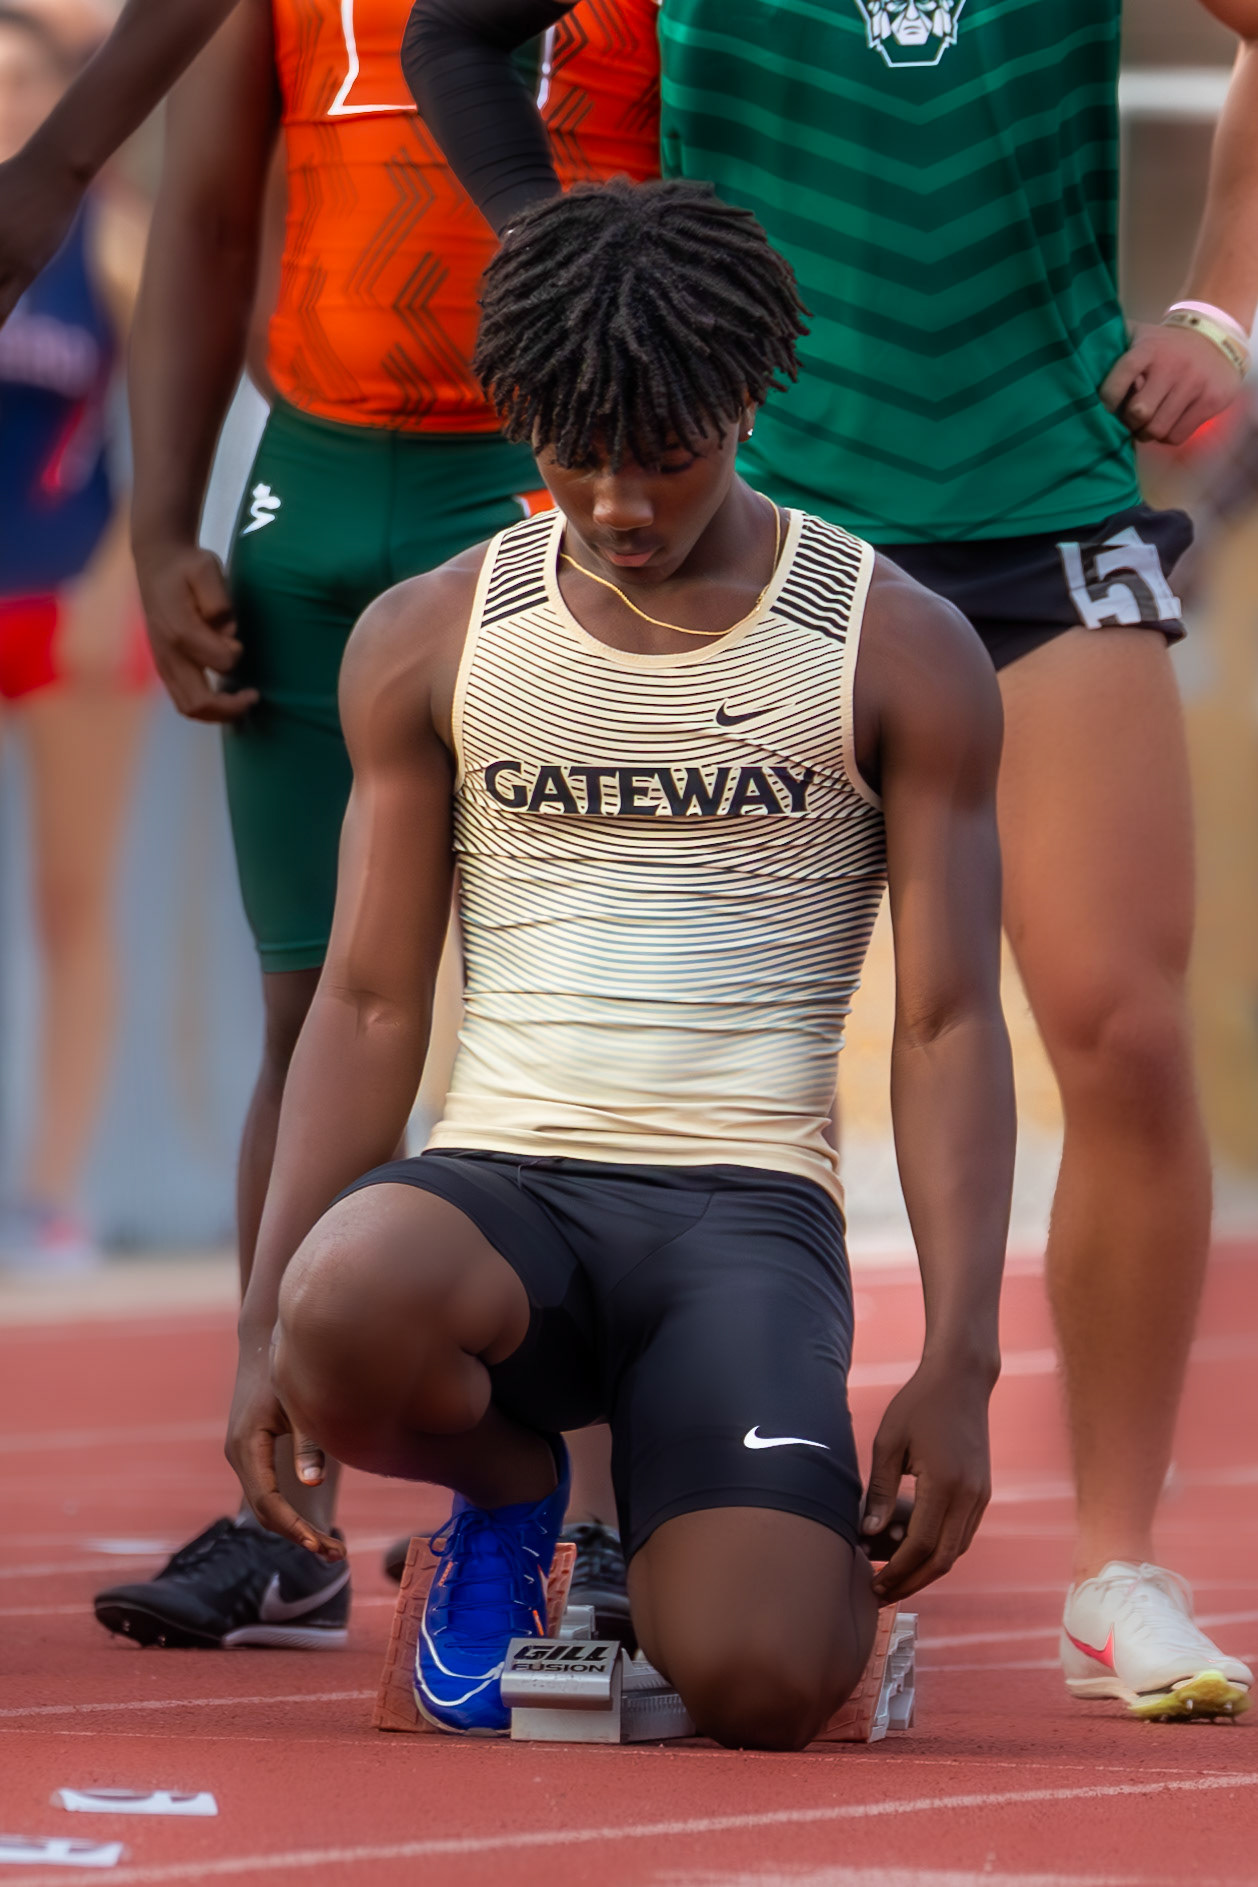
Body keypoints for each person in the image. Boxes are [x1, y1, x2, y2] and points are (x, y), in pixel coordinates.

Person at [402, 0, 1258, 1720]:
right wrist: (584, 277)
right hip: (750, 516)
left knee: (1119, 1027)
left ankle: (1114, 1566)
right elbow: (452, 35)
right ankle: (589, 1525)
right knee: (625, 1032)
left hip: (1039, 499)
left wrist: (1220, 312)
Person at [221, 178, 1016, 1748]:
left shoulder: (896, 644)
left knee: (758, 1682)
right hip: (502, 1190)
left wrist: (962, 1356)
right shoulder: (432, 633)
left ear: (744, 403)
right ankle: (518, 1501)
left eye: (663, 455)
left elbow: (943, 1020)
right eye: (573, 455)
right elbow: (368, 1000)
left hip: (740, 1212)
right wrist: (262, 1324)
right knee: (338, 1302)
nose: (616, 504)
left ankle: (699, 1504)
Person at [90, 0, 659, 1655]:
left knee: (583, 1006)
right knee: (312, 1000)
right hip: (313, 481)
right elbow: (206, 213)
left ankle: (608, 1514)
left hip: (548, 462)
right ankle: (288, 1513)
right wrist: (160, 521)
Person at [0, 0, 151, 1273]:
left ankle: (52, 1196)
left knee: (70, 901)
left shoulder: (112, 234)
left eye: (21, 83)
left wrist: (122, 578)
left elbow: (175, 420)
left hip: (71, 604)